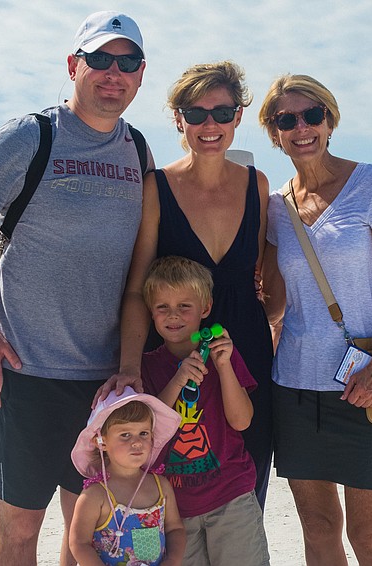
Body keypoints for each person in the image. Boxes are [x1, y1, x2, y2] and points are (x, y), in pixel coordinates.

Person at [0, 11, 152, 566]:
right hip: (29, 374)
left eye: (126, 62)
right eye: (100, 58)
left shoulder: (138, 149)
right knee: (18, 532)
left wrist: (130, 363)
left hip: (106, 384)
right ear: (73, 65)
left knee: (88, 535)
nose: (113, 72)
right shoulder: (33, 136)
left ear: (141, 74)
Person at [102, 60, 274, 509]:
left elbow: (260, 276)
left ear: (239, 115)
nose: (209, 124)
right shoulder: (157, 187)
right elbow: (138, 286)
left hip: (245, 355)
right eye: (195, 114)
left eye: (222, 111)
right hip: (176, 361)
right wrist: (128, 365)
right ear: (179, 119)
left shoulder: (258, 185)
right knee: (174, 492)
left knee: (246, 488)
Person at [259, 74, 372, 565]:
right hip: (295, 387)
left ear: (330, 119)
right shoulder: (275, 208)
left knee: (369, 538)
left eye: (312, 115)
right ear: (273, 132)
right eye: (286, 120)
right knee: (319, 532)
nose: (301, 127)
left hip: (367, 382)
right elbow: (277, 305)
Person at [139, 256, 269, 566]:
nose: (174, 316)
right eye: (162, 307)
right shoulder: (146, 366)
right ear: (150, 312)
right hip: (174, 510)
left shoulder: (223, 354)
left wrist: (224, 367)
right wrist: (178, 379)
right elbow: (148, 434)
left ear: (205, 309)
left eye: (185, 306)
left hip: (231, 496)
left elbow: (242, 420)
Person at [69, 387, 184, 566]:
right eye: (125, 435)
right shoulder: (95, 495)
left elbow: (175, 528)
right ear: (101, 441)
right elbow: (79, 544)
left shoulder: (161, 486)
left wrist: (173, 560)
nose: (137, 442)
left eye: (143, 433)